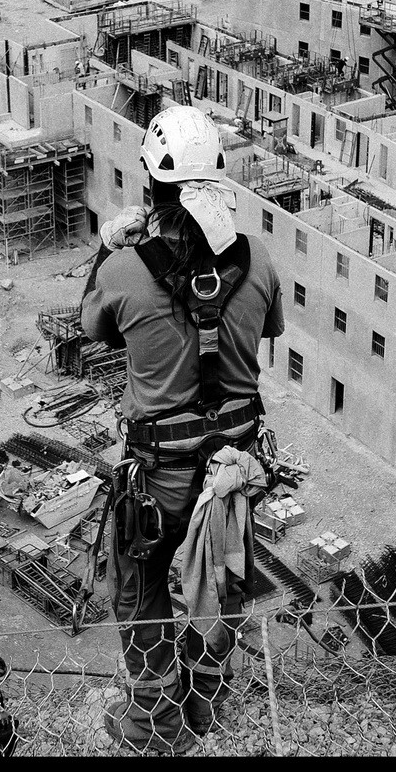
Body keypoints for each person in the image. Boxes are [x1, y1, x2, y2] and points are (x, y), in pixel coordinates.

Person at [81, 105, 285, 754]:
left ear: (151, 190)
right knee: (219, 580)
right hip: (231, 472)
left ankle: (155, 726)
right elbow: (267, 329)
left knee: (140, 589)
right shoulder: (259, 265)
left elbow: (93, 327)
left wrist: (109, 246)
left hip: (158, 481)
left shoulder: (122, 272)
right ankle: (203, 705)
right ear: (218, 184)